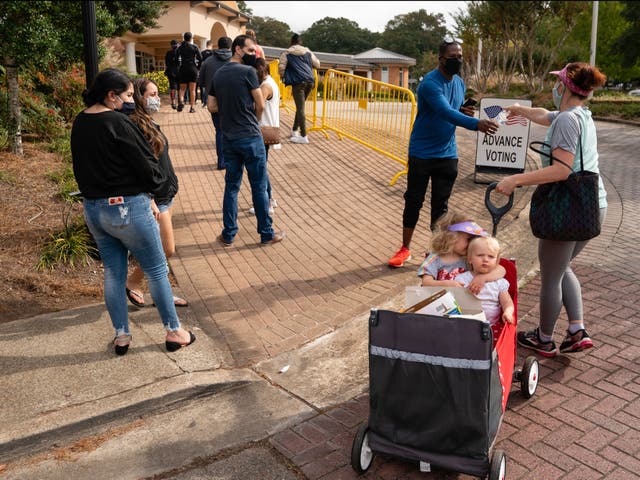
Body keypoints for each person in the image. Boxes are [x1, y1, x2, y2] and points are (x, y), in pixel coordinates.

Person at [70, 68, 195, 355]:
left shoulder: (80, 122)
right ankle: (174, 331)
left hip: (95, 209)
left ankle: (121, 335)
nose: (131, 101)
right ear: (111, 95)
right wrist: (154, 188)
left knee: (113, 273)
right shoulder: (118, 122)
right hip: (129, 208)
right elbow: (148, 168)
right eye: (127, 95)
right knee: (157, 269)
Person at [495, 62, 607, 357]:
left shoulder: (568, 121)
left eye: (557, 82)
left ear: (565, 87)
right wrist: (521, 110)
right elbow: (545, 116)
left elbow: (561, 170)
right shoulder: (578, 114)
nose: (554, 87)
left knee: (551, 275)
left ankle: (544, 338)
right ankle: (576, 330)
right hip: (593, 206)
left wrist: (515, 181)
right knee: (562, 266)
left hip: (569, 207)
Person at [388, 36, 499, 268]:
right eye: (452, 57)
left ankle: (433, 252)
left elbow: (452, 109)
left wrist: (463, 110)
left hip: (447, 153)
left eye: (460, 57)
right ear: (441, 59)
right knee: (414, 201)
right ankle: (405, 248)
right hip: (422, 152)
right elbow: (443, 111)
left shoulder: (458, 82)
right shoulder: (429, 83)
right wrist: (476, 124)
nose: (457, 61)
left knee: (441, 206)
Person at [208, 35, 286, 246]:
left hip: (229, 138)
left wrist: (229, 110)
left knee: (231, 187)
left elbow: (211, 106)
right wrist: (254, 118)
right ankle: (266, 233)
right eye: (250, 51)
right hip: (251, 138)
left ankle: (228, 234)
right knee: (259, 187)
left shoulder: (218, 74)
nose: (254, 55)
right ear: (238, 50)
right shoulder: (249, 72)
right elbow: (260, 104)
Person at [124, 77, 187, 309]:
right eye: (151, 95)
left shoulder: (148, 122)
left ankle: (161, 292)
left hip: (165, 195)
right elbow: (138, 167)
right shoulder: (135, 125)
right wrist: (149, 196)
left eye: (157, 94)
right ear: (139, 97)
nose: (156, 99)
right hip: (155, 198)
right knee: (165, 249)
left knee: (160, 251)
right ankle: (133, 282)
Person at [417, 212, 504, 294]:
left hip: (465, 302)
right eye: (469, 239)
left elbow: (501, 270)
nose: (472, 243)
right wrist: (446, 284)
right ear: (451, 238)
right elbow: (426, 283)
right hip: (440, 303)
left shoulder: (469, 258)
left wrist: (483, 278)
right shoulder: (435, 259)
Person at [456, 236, 515, 341]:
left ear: (497, 261)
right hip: (465, 324)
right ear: (470, 259)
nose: (485, 259)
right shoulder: (462, 279)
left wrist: (508, 312)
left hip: (490, 326)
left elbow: (507, 302)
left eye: (491, 257)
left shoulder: (499, 282)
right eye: (480, 255)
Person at [248, 57, 279, 216]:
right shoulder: (270, 82)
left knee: (260, 169)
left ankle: (267, 204)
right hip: (267, 128)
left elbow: (259, 106)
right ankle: (270, 199)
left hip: (262, 129)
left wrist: (255, 119)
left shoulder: (265, 85)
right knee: (262, 168)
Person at [278, 33, 320, 144]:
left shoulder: (287, 52)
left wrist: (283, 76)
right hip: (310, 81)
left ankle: (304, 136)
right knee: (300, 107)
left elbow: (281, 68)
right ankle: (294, 129)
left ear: (291, 42)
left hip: (298, 82)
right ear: (300, 42)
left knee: (300, 108)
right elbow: (318, 64)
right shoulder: (307, 51)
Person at [200, 36, 232, 170]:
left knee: (220, 131)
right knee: (233, 130)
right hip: (233, 101)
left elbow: (201, 81)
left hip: (214, 102)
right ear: (230, 47)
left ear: (217, 46)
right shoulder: (236, 60)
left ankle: (222, 161)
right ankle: (233, 160)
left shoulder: (208, 61)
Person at [176, 31, 202, 113]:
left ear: (184, 38)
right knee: (192, 90)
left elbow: (176, 59)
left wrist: (179, 67)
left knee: (182, 89)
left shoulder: (179, 48)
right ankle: (192, 108)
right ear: (191, 38)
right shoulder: (194, 47)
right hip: (192, 69)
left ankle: (182, 101)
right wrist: (197, 67)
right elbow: (201, 58)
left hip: (183, 68)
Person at [164, 39, 180, 110]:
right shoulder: (179, 52)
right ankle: (180, 102)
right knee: (179, 88)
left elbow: (166, 64)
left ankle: (173, 102)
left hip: (170, 72)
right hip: (179, 72)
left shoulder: (168, 53)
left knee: (172, 88)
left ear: (171, 45)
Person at [199, 40, 214, 107]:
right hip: (211, 71)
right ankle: (209, 101)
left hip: (204, 70)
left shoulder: (202, 53)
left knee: (204, 87)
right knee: (211, 87)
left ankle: (204, 101)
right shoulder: (213, 53)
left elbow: (200, 62)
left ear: (206, 45)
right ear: (211, 45)